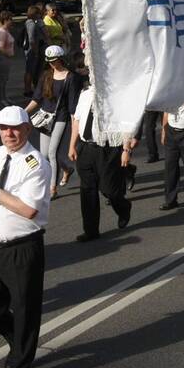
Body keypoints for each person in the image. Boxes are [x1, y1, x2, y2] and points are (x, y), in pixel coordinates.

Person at [0, 105, 52, 368]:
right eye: (4, 128)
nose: (9, 133)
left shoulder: (37, 163)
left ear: (27, 129)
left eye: (15, 128)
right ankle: (17, 342)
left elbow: (30, 210)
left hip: (23, 249)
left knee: (24, 311)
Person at [68, 70, 134, 241]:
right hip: (86, 147)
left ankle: (123, 207)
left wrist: (126, 150)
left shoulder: (117, 96)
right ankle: (90, 230)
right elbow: (77, 120)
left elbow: (126, 123)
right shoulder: (85, 94)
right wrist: (72, 145)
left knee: (109, 190)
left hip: (107, 148)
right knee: (87, 190)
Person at [25, 45, 81, 197]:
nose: (51, 63)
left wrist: (73, 139)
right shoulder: (46, 75)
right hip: (45, 118)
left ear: (61, 59)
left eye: (54, 60)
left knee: (52, 152)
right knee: (44, 155)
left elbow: (73, 108)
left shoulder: (71, 77)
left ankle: (52, 188)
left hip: (61, 118)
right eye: (49, 61)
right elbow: (37, 99)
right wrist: (22, 113)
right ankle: (67, 169)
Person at [0, 10, 16, 105]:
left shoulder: (6, 30)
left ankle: (4, 97)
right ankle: (1, 98)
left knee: (5, 79)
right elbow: (0, 46)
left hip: (6, 58)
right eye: (10, 19)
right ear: (5, 20)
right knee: (2, 79)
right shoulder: (3, 32)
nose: (12, 21)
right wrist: (8, 54)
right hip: (3, 58)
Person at [23, 5, 45, 97]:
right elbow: (31, 39)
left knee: (32, 70)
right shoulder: (30, 23)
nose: (40, 15)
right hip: (31, 50)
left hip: (33, 49)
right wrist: (35, 51)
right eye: (38, 13)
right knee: (30, 70)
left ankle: (32, 88)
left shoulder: (33, 22)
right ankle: (27, 90)